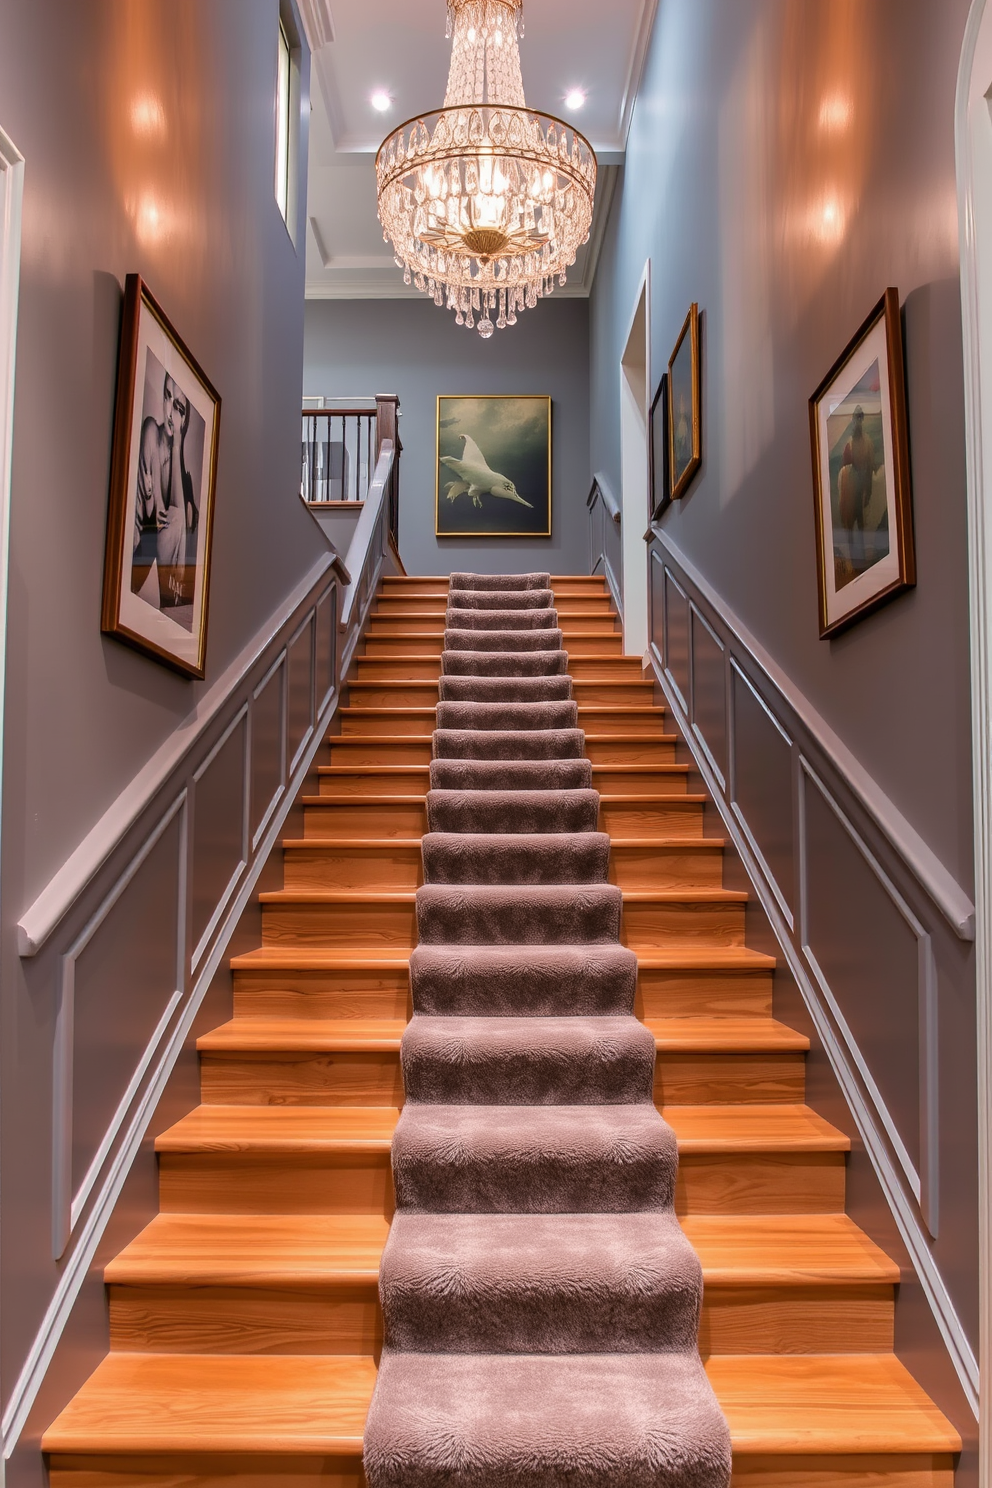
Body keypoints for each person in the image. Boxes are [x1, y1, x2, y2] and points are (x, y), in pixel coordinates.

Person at [131, 371, 197, 607]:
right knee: (177, 517)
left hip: (152, 557)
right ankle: (171, 603)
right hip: (137, 552)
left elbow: (180, 521)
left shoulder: (176, 462)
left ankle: (172, 602)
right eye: (168, 397)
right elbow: (158, 513)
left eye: (179, 407)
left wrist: (178, 443)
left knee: (181, 516)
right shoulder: (150, 429)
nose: (170, 412)